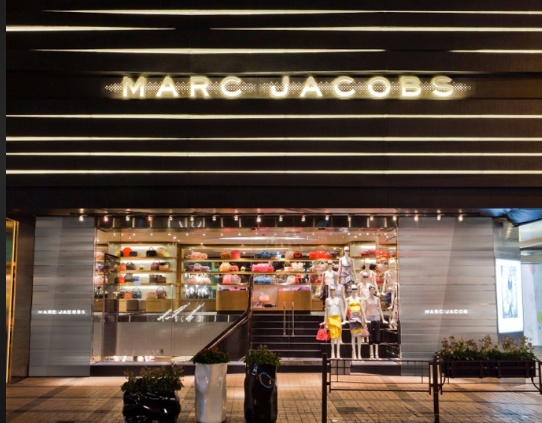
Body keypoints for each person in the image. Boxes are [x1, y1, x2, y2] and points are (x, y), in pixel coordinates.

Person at [364, 285, 387, 360]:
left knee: (377, 334)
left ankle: (376, 354)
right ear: (369, 291)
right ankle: (371, 354)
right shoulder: (366, 299)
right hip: (369, 317)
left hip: (376, 317)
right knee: (370, 335)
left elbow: (380, 309)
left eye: (373, 290)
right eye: (371, 290)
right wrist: (364, 319)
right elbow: (364, 309)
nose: (372, 291)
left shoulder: (377, 299)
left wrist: (383, 319)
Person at [323, 285, 345, 359]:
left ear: (335, 291)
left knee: (338, 336)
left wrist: (344, 319)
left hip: (337, 318)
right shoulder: (327, 300)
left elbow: (342, 310)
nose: (332, 291)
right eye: (331, 290)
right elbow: (326, 311)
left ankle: (338, 353)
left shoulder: (339, 300)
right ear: (329, 291)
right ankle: (333, 353)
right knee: (332, 337)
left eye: (333, 290)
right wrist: (325, 322)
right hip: (331, 318)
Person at [347, 284, 368, 360]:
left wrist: (364, 319)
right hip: (352, 317)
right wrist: (346, 318)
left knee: (359, 336)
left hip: (359, 317)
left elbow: (362, 309)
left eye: (355, 289)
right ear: (351, 290)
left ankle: (359, 354)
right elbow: (347, 309)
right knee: (353, 336)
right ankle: (354, 354)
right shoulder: (348, 299)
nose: (354, 291)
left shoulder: (359, 299)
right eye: (353, 289)